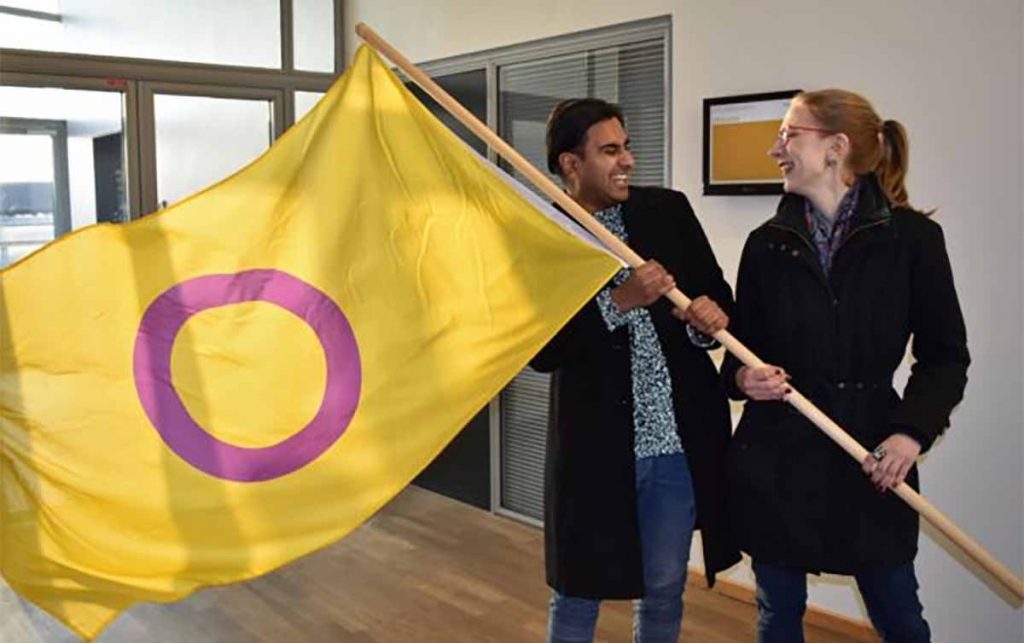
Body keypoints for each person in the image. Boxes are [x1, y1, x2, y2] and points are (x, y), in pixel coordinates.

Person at [722, 89, 970, 643]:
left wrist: (910, 434)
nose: (775, 150)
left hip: (870, 456)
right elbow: (740, 353)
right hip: (778, 462)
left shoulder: (912, 241)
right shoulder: (766, 245)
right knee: (777, 618)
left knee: (900, 620)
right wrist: (745, 377)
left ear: (836, 147)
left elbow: (946, 356)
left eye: (788, 135)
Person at [531, 97, 740, 643]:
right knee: (578, 591)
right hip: (595, 449)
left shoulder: (666, 211)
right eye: (609, 151)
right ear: (571, 164)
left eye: (626, 147)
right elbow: (541, 349)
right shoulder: (545, 234)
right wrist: (619, 301)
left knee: (665, 586)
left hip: (673, 444)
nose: (627, 160)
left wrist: (708, 319)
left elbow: (716, 295)